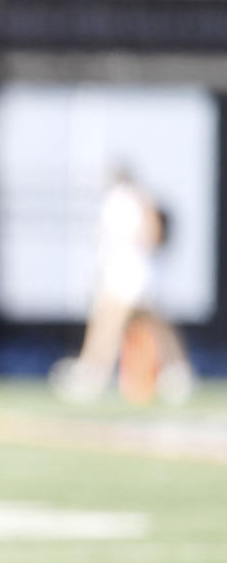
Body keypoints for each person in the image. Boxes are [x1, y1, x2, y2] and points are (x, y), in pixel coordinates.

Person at [50, 168, 193, 404]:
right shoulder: (114, 202)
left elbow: (153, 231)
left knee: (129, 321)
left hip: (134, 273)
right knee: (115, 320)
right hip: (118, 273)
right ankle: (173, 371)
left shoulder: (135, 198)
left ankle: (95, 373)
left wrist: (142, 241)